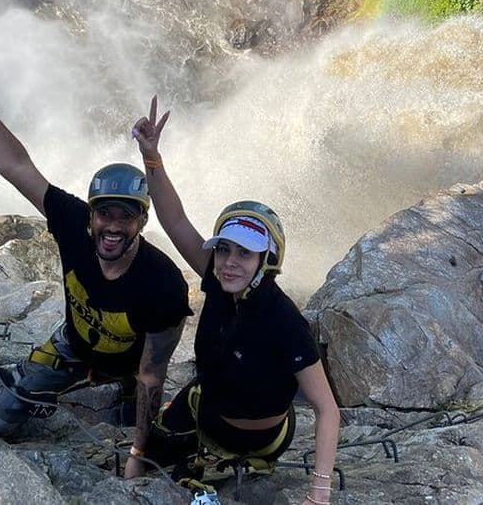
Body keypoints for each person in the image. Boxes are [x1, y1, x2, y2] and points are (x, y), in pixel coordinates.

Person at [0, 37, 192, 478]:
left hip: (135, 369)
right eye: (104, 214)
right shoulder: (73, 223)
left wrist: (138, 455)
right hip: (75, 346)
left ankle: (120, 396)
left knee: (136, 400)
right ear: (91, 214)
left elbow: (155, 375)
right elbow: (15, 166)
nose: (113, 226)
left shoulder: (163, 283)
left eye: (126, 217)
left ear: (141, 222)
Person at [131, 97, 340, 505]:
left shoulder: (285, 321)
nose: (229, 263)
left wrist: (319, 494)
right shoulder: (217, 277)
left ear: (267, 260)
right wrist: (152, 158)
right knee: (154, 442)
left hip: (263, 440)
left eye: (244, 254)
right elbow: (174, 220)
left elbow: (327, 409)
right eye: (224, 250)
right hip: (209, 412)